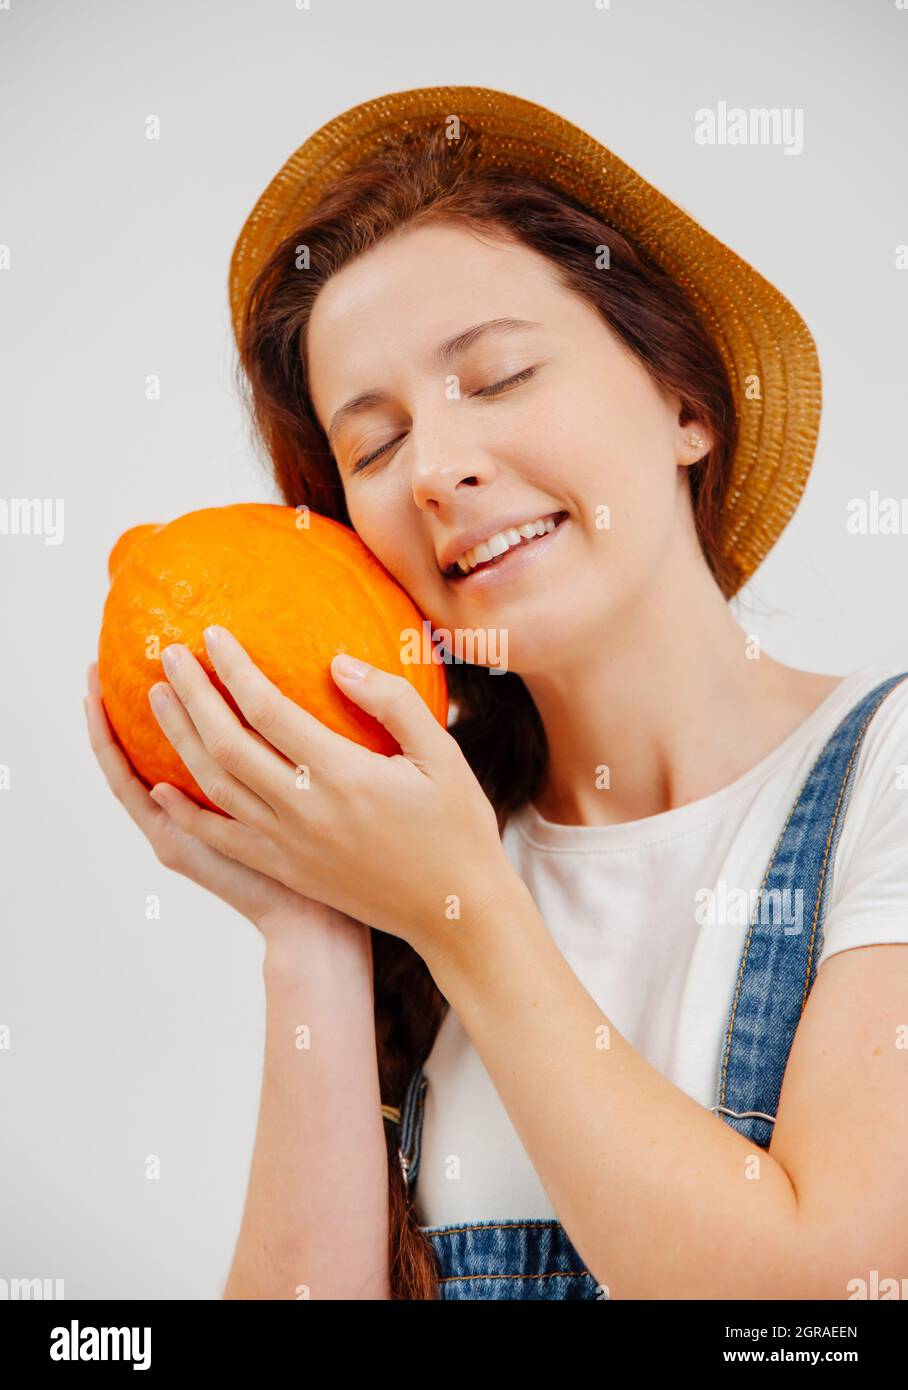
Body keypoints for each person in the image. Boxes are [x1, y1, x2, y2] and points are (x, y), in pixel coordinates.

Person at [86, 88, 908, 1300]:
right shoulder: (395, 863)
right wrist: (315, 929)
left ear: (682, 400)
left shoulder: (881, 771)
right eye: (370, 446)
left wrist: (461, 910)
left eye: (500, 375)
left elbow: (823, 1309)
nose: (435, 468)